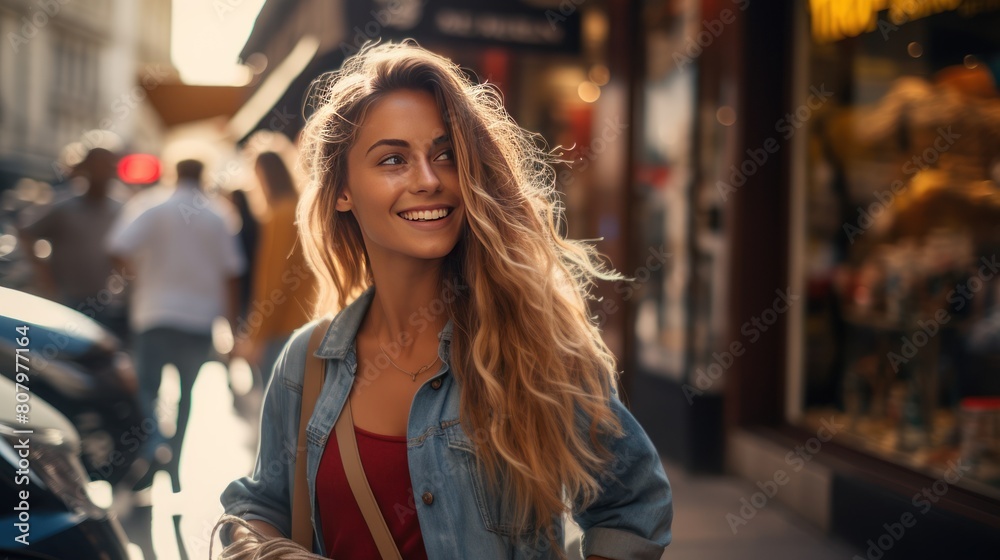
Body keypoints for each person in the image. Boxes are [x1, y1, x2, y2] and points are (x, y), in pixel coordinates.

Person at [219, 42, 672, 559]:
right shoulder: (306, 364)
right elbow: (258, 505)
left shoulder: (535, 346)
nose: (428, 180)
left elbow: (634, 505)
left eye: (445, 155)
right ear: (343, 190)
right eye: (393, 159)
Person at [107, 159, 245, 492]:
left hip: (154, 314)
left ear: (175, 173)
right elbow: (232, 274)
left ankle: (154, 446)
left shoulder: (151, 206)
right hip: (199, 321)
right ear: (204, 175)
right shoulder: (219, 215)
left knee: (147, 391)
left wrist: (138, 279)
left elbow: (116, 247)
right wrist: (232, 327)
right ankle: (174, 464)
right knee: (186, 396)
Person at [18, 146, 128, 338]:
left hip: (103, 298)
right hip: (66, 296)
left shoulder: (119, 209)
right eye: (98, 166)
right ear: (87, 168)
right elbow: (26, 231)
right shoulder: (64, 206)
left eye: (108, 167)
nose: (104, 172)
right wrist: (43, 274)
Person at [234, 151, 317, 388]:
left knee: (277, 413)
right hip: (307, 320)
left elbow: (273, 281)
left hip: (281, 329)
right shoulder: (301, 208)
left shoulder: (279, 214)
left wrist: (257, 335)